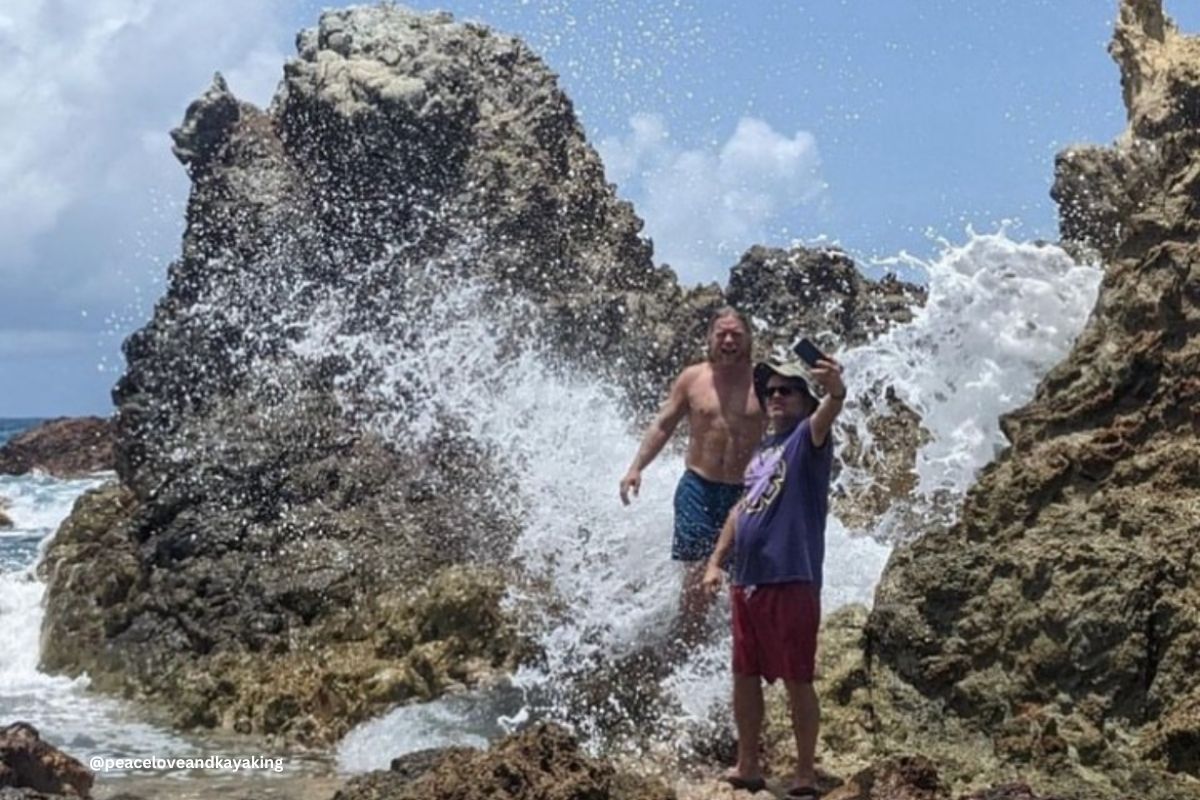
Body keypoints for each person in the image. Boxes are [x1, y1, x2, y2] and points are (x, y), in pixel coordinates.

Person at [702, 353, 846, 799]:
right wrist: (715, 561)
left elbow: (831, 409)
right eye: (770, 392)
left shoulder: (808, 438)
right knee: (744, 673)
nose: (776, 397)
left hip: (792, 577)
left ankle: (805, 772)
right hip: (748, 579)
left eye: (788, 390)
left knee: (797, 677)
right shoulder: (763, 450)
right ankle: (748, 765)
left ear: (805, 399)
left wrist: (835, 389)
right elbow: (741, 508)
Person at [619, 307, 765, 645]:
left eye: (736, 335)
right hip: (698, 488)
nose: (728, 341)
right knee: (698, 572)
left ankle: (731, 646)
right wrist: (636, 467)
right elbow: (663, 424)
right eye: (721, 334)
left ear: (748, 339)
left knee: (741, 578)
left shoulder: (764, 381)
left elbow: (795, 427)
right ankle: (688, 639)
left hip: (745, 494)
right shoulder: (692, 378)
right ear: (709, 338)